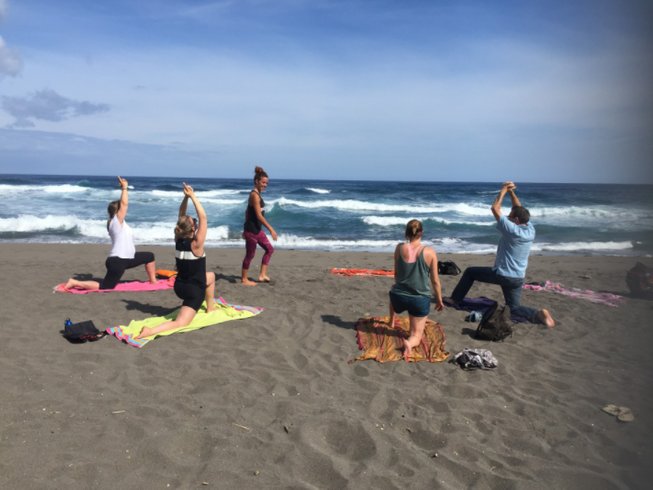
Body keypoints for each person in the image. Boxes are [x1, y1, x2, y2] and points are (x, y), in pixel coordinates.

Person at [446, 181, 555, 327]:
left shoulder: (512, 231)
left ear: (516, 220)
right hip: (518, 277)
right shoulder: (530, 229)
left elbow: (495, 208)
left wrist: (503, 190)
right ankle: (538, 314)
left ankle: (455, 299)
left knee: (470, 272)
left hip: (503, 274)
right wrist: (512, 192)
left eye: (510, 217)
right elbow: (519, 208)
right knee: (513, 308)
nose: (508, 217)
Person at [136, 183, 216, 339]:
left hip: (179, 286)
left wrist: (185, 198)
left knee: (211, 276)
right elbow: (204, 217)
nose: (196, 222)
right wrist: (193, 196)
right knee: (181, 323)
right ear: (193, 229)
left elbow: (182, 215)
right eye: (194, 223)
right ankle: (150, 331)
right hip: (193, 292)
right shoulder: (196, 244)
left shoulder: (178, 240)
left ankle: (210, 309)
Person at [64, 176, 156, 291]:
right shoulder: (116, 222)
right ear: (117, 212)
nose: (124, 211)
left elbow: (122, 206)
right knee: (106, 286)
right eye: (121, 210)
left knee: (149, 256)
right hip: (118, 261)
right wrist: (124, 189)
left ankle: (153, 281)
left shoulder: (117, 223)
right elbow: (124, 204)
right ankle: (74, 282)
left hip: (127, 259)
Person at [389, 219, 444, 361]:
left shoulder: (399, 248)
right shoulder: (429, 252)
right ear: (422, 233)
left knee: (393, 290)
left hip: (397, 298)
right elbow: (435, 281)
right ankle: (409, 343)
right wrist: (439, 299)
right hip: (418, 300)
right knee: (416, 335)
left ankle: (391, 321)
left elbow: (396, 273)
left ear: (406, 233)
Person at [241, 166, 278, 286]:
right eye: (263, 182)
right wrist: (271, 229)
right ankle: (244, 279)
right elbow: (259, 216)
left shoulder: (258, 194)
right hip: (252, 231)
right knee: (250, 255)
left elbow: (247, 212)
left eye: (266, 183)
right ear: (256, 181)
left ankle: (262, 275)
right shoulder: (255, 195)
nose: (265, 185)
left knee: (269, 249)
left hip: (256, 230)